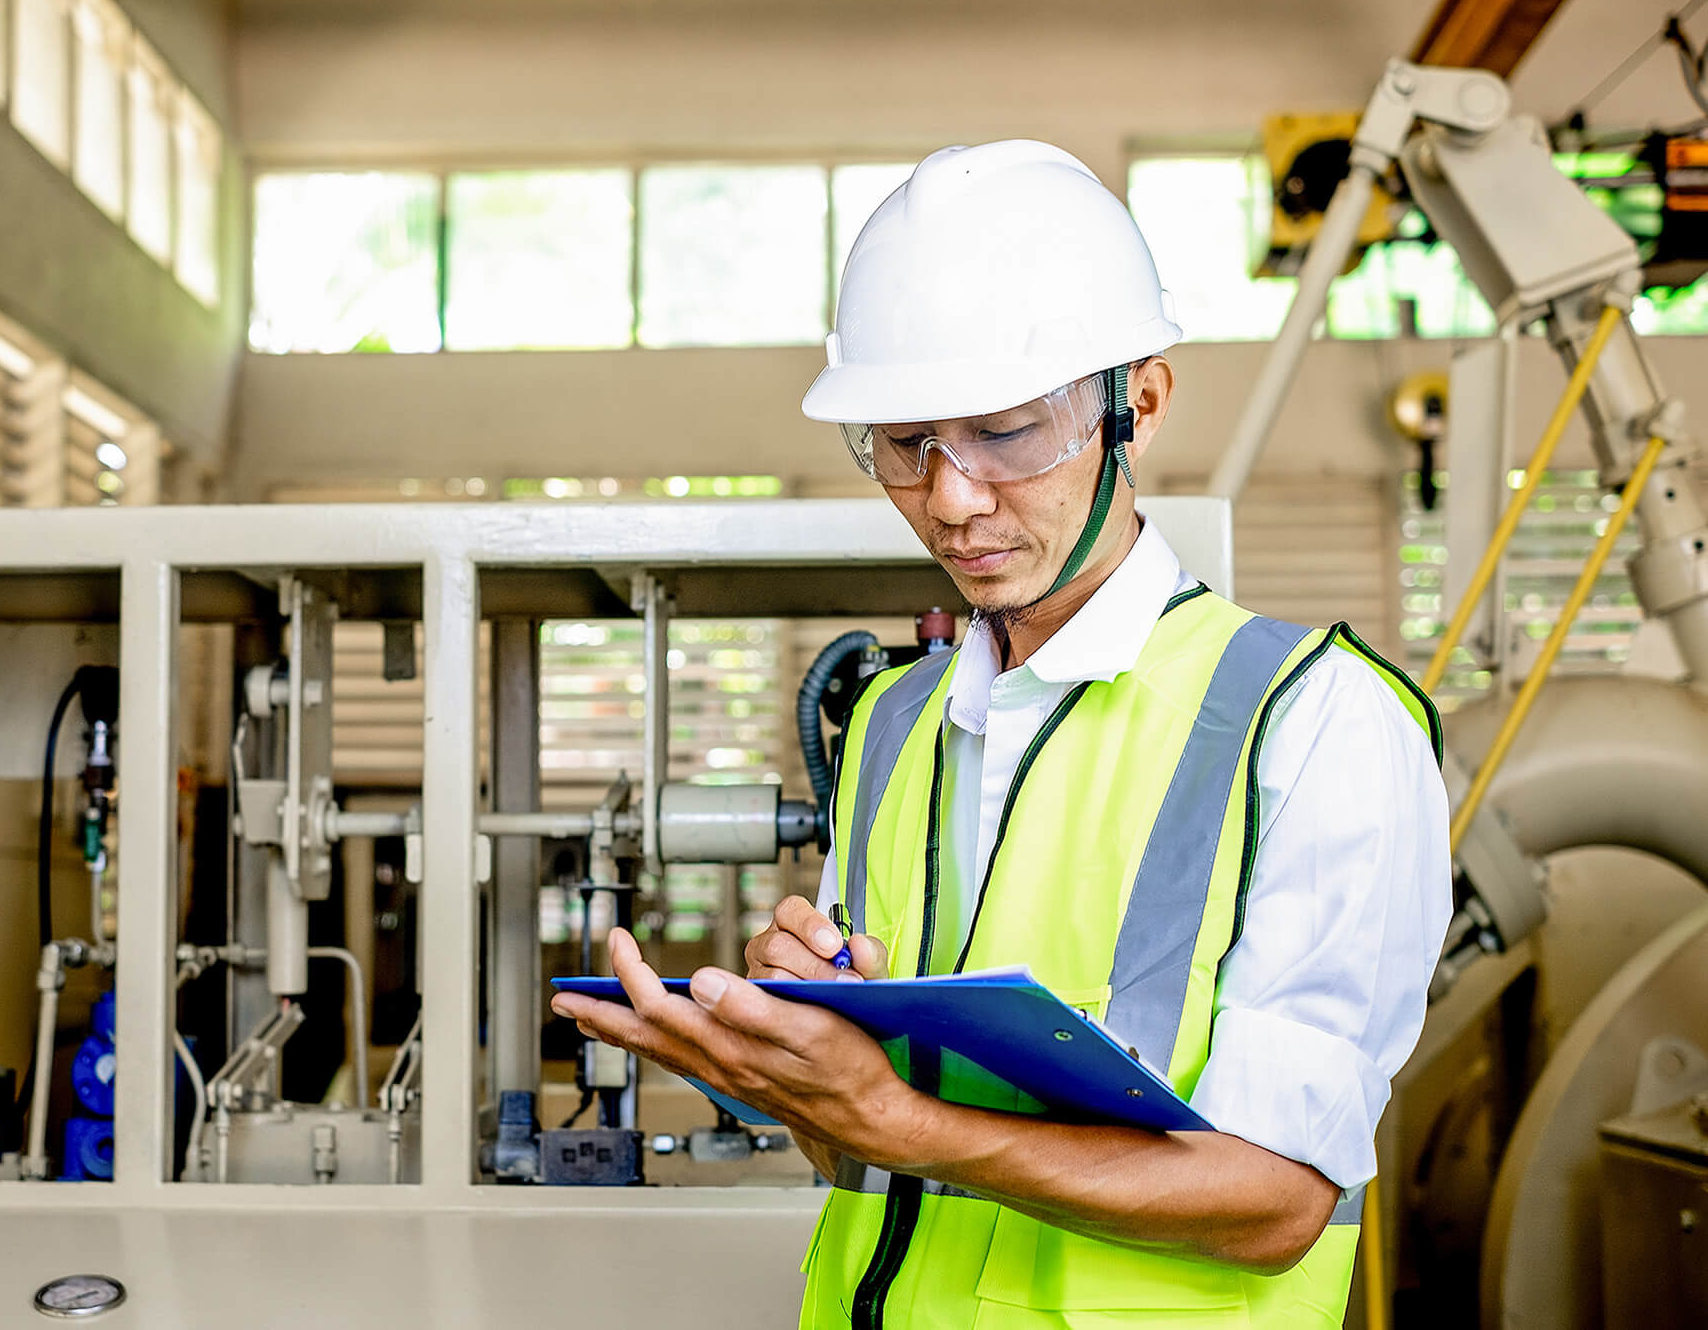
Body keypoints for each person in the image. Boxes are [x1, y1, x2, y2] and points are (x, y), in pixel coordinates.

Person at [550, 139, 1450, 1329]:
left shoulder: (1313, 721)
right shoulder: (888, 725)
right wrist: (797, 1068)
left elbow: (1277, 1197)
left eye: (1007, 432)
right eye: (903, 442)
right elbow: (857, 1165)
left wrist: (895, 1115)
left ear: (1139, 401)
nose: (951, 498)